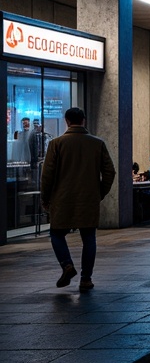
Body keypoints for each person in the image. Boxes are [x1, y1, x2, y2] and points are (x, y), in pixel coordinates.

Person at [39, 107, 115, 291]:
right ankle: (86, 279)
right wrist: (100, 193)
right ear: (84, 120)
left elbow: (47, 174)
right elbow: (109, 171)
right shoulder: (97, 144)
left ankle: (67, 265)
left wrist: (45, 198)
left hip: (62, 199)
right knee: (89, 238)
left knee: (56, 234)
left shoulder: (57, 143)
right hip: (88, 199)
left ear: (66, 121)